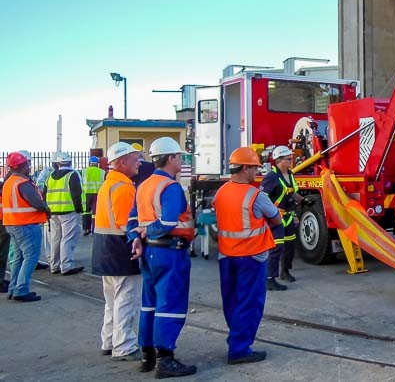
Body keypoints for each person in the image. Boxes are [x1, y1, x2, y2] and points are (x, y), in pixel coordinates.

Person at [128, 137, 197, 378]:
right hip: (169, 251)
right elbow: (168, 222)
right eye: (179, 156)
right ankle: (165, 359)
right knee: (170, 304)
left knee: (150, 304)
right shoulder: (171, 187)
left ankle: (147, 355)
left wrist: (135, 238)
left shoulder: (144, 185)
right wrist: (148, 231)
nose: (181, 160)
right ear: (170, 158)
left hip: (148, 252)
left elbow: (132, 220)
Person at [214, 147, 282, 365]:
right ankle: (240, 349)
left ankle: (235, 339)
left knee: (232, 301)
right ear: (245, 168)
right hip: (252, 257)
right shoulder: (256, 195)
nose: (257, 172)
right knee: (250, 303)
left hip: (226, 256)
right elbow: (276, 219)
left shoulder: (221, 191)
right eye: (254, 168)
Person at [92, 142, 143, 361]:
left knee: (112, 301)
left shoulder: (108, 185)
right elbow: (127, 224)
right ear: (122, 162)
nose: (138, 163)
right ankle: (124, 346)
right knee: (126, 300)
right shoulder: (123, 187)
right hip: (120, 250)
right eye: (134, 159)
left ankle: (109, 341)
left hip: (105, 248)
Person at [2, 152, 51, 301]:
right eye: (27, 164)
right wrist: (46, 209)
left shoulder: (9, 182)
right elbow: (36, 202)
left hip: (12, 223)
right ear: (23, 166)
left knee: (18, 257)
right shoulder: (22, 183)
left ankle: (13, 288)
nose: (29, 167)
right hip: (26, 224)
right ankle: (21, 290)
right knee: (30, 257)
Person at [259, 145, 300, 287]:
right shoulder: (271, 177)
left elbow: (291, 194)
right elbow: (262, 198)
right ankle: (270, 279)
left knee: (290, 246)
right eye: (288, 159)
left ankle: (285, 271)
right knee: (276, 248)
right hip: (276, 218)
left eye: (291, 158)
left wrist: (300, 206)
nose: (291, 161)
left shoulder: (290, 174)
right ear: (278, 160)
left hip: (289, 216)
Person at [41, 151, 85, 275]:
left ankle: (54, 265)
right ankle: (66, 265)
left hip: (53, 212)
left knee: (55, 239)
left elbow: (44, 194)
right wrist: (79, 209)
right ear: (70, 162)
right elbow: (76, 194)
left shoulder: (50, 176)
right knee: (68, 238)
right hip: (68, 212)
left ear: (58, 163)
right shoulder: (72, 175)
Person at [82, 155, 106, 236]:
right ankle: (95, 228)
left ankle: (86, 229)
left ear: (89, 163)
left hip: (86, 193)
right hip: (98, 194)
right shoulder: (102, 172)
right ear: (97, 163)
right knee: (96, 212)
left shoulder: (84, 171)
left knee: (86, 212)